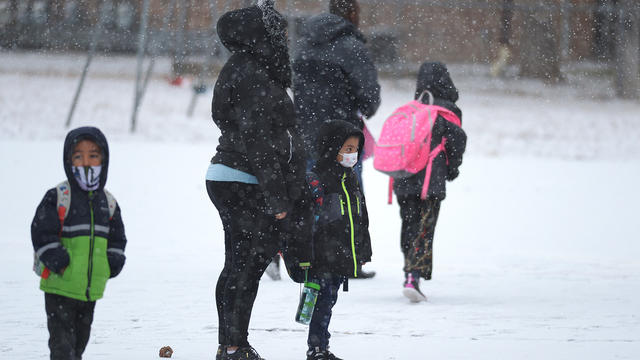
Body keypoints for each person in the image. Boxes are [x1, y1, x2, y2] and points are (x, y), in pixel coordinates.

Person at [205, 2, 308, 359]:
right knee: (245, 265)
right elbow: (258, 141)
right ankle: (233, 346)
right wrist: (278, 198)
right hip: (242, 179)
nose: (283, 38)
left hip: (236, 176)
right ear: (258, 35)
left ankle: (231, 344)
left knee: (241, 263)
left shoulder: (248, 68)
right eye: (277, 31)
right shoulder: (251, 73)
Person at [293, 0, 380, 278]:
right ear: (352, 13)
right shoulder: (352, 48)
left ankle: (303, 257)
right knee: (347, 198)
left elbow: (294, 88)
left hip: (306, 135)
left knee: (309, 197)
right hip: (343, 139)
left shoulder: (303, 45)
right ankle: (347, 259)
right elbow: (370, 100)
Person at [31, 126, 127, 360]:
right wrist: (60, 262)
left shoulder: (108, 202)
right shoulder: (59, 196)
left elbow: (117, 239)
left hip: (90, 289)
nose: (86, 162)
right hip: (60, 286)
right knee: (62, 347)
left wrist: (111, 263)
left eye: (93, 155)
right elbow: (42, 232)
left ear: (103, 160)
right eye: (78, 156)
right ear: (68, 160)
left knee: (79, 344)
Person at [393, 62, 467, 302]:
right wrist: (452, 168)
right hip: (430, 182)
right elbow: (457, 143)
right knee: (425, 227)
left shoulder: (411, 109)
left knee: (409, 224)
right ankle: (414, 276)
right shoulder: (448, 111)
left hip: (404, 179)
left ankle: (408, 271)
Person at [304, 120, 372, 360]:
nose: (352, 155)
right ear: (332, 148)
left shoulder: (350, 179)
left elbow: (360, 218)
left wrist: (363, 250)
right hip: (322, 255)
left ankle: (321, 346)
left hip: (342, 253)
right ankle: (316, 349)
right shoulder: (318, 179)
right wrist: (305, 254)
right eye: (347, 149)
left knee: (329, 301)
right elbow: (306, 222)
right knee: (321, 302)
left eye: (355, 150)